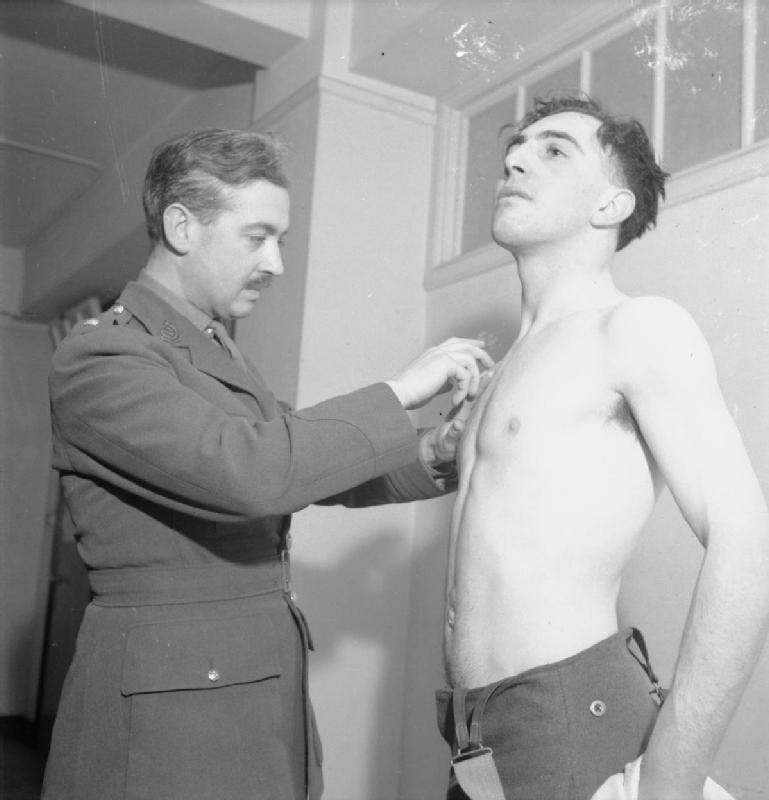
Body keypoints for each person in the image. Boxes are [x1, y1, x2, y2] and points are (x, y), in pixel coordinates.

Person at [42, 128, 492, 800]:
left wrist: (438, 452)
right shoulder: (103, 360)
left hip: (244, 680)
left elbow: (308, 460)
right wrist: (399, 391)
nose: (276, 262)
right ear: (181, 226)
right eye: (257, 236)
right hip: (168, 708)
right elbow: (254, 473)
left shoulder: (214, 350)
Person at [435, 95, 769, 800]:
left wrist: (667, 782)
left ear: (611, 205)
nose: (514, 161)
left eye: (554, 150)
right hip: (475, 739)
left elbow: (748, 541)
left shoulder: (632, 327)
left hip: (567, 725)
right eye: (513, 150)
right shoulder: (505, 373)